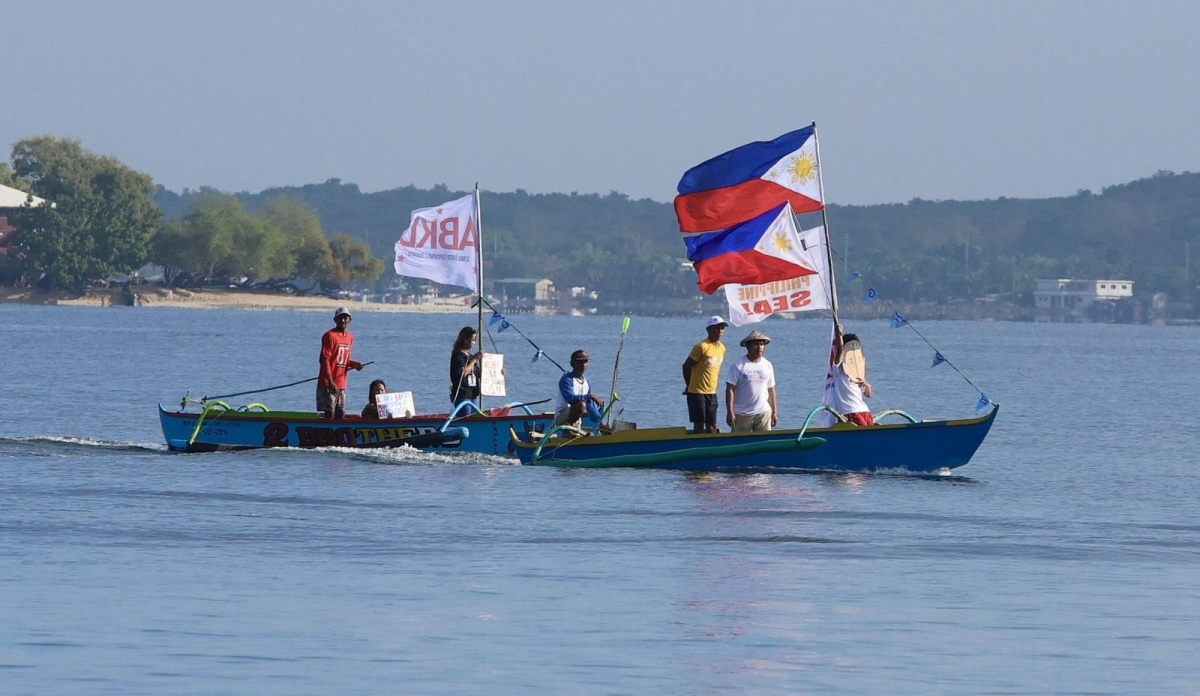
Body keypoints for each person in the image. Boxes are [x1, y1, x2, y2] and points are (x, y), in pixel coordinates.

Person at [682, 315, 728, 434]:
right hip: (697, 392)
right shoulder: (702, 347)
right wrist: (689, 385)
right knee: (699, 423)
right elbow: (686, 366)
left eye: (722, 328)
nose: (719, 331)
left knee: (712, 425)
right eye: (716, 328)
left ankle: (711, 448)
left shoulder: (722, 348)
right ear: (709, 330)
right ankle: (695, 449)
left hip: (712, 392)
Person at [725, 330, 778, 432]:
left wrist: (774, 412)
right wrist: (730, 411)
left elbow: (771, 390)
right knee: (740, 444)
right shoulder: (738, 365)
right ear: (748, 347)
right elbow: (730, 389)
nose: (759, 347)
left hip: (763, 412)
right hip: (742, 414)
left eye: (762, 344)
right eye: (756, 344)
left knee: (764, 444)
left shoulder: (767, 365)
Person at [317, 307, 364, 419]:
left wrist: (355, 365)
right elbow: (324, 360)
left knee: (341, 412)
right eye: (340, 318)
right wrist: (330, 381)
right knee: (329, 413)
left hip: (341, 383)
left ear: (349, 320)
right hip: (328, 384)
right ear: (335, 320)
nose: (343, 321)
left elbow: (344, 359)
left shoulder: (350, 338)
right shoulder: (330, 336)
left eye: (345, 318)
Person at [828, 324, 875, 426]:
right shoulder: (838, 368)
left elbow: (869, 395)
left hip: (864, 410)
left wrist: (866, 385)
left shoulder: (857, 371)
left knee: (872, 432)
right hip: (850, 411)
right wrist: (839, 333)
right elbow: (840, 351)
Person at [554, 349, 605, 427]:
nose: (584, 365)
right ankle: (566, 431)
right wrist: (591, 396)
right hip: (562, 418)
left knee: (588, 404)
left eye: (586, 362)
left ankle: (599, 426)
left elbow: (589, 402)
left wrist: (600, 423)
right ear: (572, 364)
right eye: (580, 362)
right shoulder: (566, 379)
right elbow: (570, 399)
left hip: (577, 421)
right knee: (581, 404)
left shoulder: (587, 381)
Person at [449, 327, 484, 406]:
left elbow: (479, 373)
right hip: (462, 394)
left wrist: (498, 372)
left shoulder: (470, 357)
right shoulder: (458, 355)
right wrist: (475, 359)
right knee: (466, 416)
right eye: (473, 340)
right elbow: (464, 372)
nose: (474, 343)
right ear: (465, 340)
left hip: (472, 394)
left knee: (475, 416)